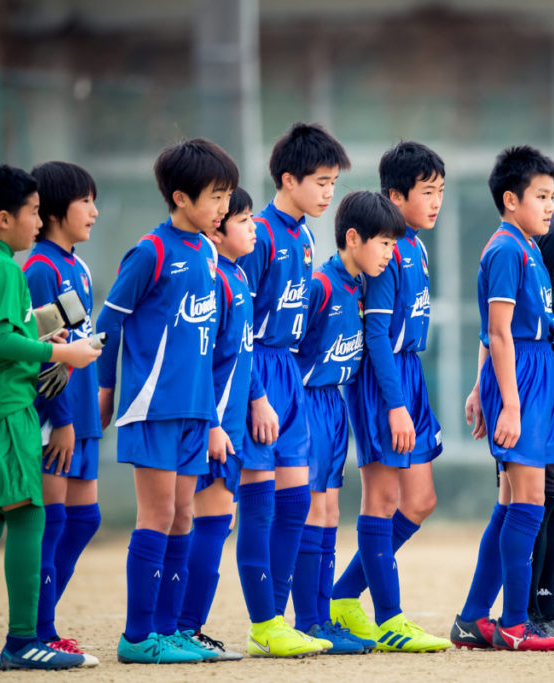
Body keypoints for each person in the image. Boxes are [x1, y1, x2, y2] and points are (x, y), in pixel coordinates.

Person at [0, 165, 100, 671]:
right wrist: (59, 354)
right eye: (33, 211)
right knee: (29, 514)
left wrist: (44, 334)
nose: (38, 221)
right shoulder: (5, 269)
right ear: (3, 217)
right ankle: (22, 639)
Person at [97, 138, 240, 663]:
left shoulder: (206, 249)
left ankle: (168, 631)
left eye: (227, 195)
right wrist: (106, 393)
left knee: (184, 516)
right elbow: (107, 325)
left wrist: (212, 414)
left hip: (194, 409)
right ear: (180, 197)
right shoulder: (150, 252)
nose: (224, 207)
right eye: (216, 196)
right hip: (152, 407)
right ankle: (137, 638)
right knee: (157, 514)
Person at [332, 141, 450, 651]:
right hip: (384, 382)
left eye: (441, 191)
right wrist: (395, 403)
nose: (436, 202)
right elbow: (376, 335)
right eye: (427, 192)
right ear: (395, 196)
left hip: (409, 373)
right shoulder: (389, 250)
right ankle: (389, 618)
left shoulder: (416, 247)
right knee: (381, 498)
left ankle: (343, 595)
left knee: (420, 501)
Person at [453, 146, 554, 652]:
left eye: (551, 196)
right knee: (529, 502)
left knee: (512, 502)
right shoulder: (505, 249)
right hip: (520, 376)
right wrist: (508, 403)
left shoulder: (527, 247)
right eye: (541, 196)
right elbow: (498, 333)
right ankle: (515, 625)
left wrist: (481, 389)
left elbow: (493, 334)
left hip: (532, 373)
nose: (549, 205)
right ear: (510, 199)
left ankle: (474, 618)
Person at [237, 123, 349, 656]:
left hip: (290, 376)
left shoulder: (304, 236)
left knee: (297, 502)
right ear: (288, 178)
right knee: (258, 504)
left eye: (333, 183)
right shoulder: (256, 234)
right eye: (321, 181)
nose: (329, 192)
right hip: (258, 369)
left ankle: (285, 620)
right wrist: (257, 393)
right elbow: (240, 325)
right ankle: (264, 621)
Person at [289, 191, 405, 653]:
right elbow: (290, 351)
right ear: (352, 238)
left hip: (335, 405)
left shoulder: (363, 285)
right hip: (309, 403)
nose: (388, 253)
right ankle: (309, 620)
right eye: (381, 243)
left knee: (332, 512)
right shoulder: (320, 285)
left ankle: (323, 619)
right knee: (313, 511)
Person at [174, 187, 272, 659]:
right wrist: (213, 423)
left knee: (215, 523)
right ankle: (179, 627)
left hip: (231, 423)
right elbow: (201, 359)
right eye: (244, 220)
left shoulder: (235, 276)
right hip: (211, 425)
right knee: (206, 523)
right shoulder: (212, 277)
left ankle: (186, 627)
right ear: (218, 227)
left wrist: (256, 399)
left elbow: (241, 354)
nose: (253, 228)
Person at [23, 161, 104, 663]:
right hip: (56, 419)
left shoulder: (77, 266)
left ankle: (42, 622)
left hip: (81, 414)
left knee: (85, 519)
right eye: (85, 202)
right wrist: (62, 419)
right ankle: (39, 630)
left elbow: (78, 339)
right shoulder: (40, 269)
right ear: (54, 212)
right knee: (53, 523)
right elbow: (41, 351)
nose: (95, 212)